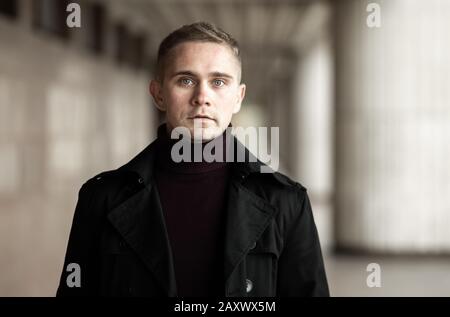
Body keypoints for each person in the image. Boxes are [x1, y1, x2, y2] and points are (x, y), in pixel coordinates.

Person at [56, 21, 329, 297]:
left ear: (238, 97)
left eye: (218, 82)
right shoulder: (102, 198)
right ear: (158, 94)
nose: (202, 97)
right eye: (186, 80)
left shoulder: (286, 202)